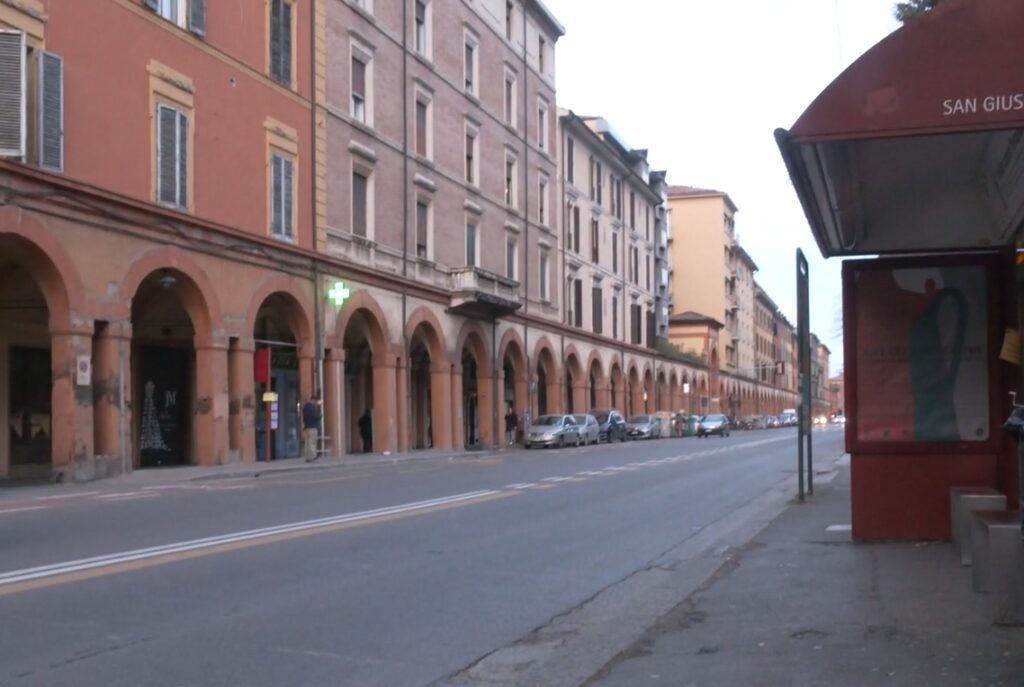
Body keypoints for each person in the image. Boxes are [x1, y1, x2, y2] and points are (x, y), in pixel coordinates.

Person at [302, 394, 321, 462]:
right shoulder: (312, 408)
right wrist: (319, 416)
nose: (316, 403)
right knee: (312, 442)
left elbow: (304, 418)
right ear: (313, 400)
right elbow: (315, 417)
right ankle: (313, 456)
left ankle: (307, 457)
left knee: (307, 443)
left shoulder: (305, 407)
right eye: (315, 401)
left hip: (307, 427)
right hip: (313, 427)